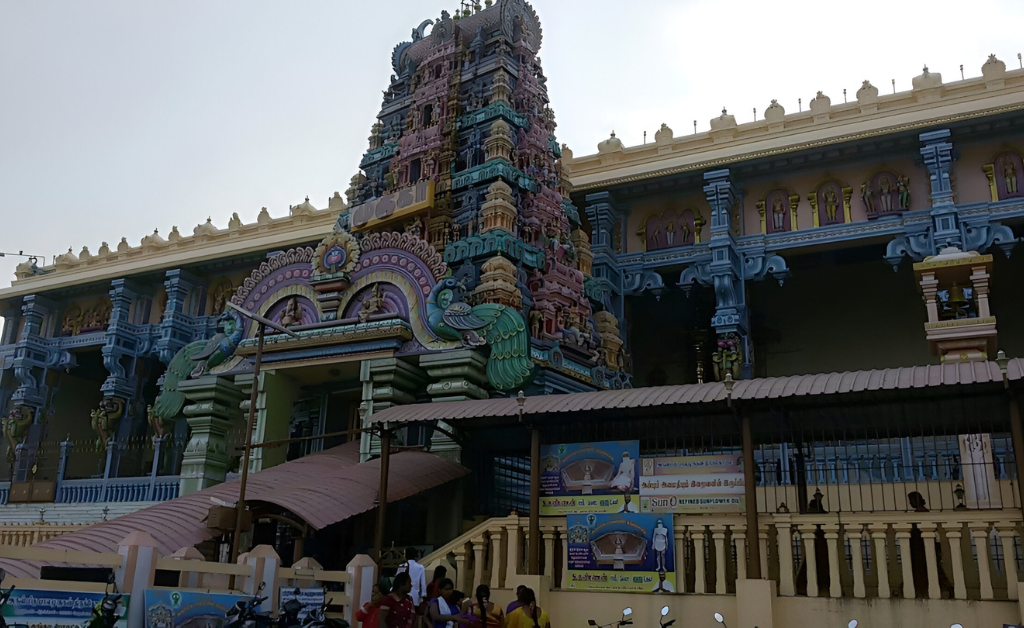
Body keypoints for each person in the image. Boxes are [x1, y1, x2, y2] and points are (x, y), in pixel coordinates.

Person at [395, 547, 428, 614]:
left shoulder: (401, 566)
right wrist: (423, 597)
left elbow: (396, 581)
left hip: (401, 595)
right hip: (415, 597)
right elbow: (423, 584)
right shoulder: (420, 567)